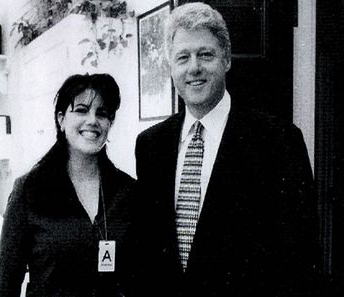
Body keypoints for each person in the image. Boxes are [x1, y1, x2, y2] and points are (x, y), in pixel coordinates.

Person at [129, 2, 319, 296]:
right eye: (183, 57)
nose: (194, 67)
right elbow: (148, 249)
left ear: (227, 59)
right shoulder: (151, 145)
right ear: (171, 68)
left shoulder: (279, 141)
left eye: (206, 54)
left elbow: (300, 257)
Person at [0, 73, 135, 297]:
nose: (92, 120)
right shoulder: (30, 190)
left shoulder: (129, 192)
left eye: (102, 113)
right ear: (61, 119)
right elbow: (7, 283)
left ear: (110, 123)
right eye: (81, 110)